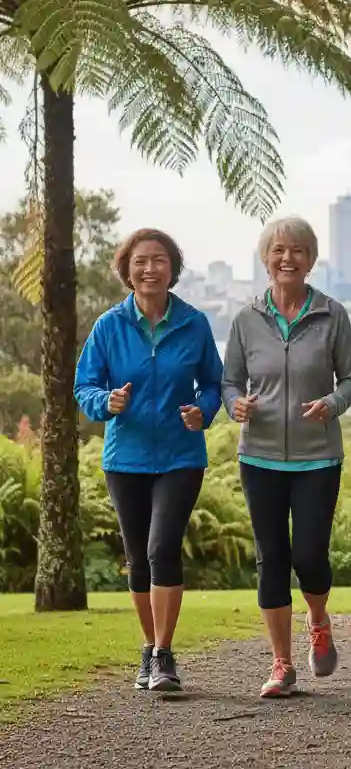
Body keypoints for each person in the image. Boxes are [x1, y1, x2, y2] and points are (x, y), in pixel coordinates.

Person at [74, 229, 223, 693]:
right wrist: (107, 403)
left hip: (181, 455)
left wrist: (205, 412)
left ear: (172, 269)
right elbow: (85, 388)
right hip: (126, 459)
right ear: (127, 270)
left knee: (163, 548)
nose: (150, 269)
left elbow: (215, 384)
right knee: (138, 558)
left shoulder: (194, 323)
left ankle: (163, 652)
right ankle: (147, 647)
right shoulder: (108, 327)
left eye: (159, 260)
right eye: (141, 261)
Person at [222, 216, 351, 699]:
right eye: (279, 250)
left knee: (309, 557)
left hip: (317, 458)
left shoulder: (332, 314)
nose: (288, 258)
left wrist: (332, 404)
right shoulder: (245, 318)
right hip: (258, 456)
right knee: (271, 560)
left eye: (298, 251)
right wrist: (234, 404)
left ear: (311, 259)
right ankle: (281, 664)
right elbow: (229, 381)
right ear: (266, 259)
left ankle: (319, 619)